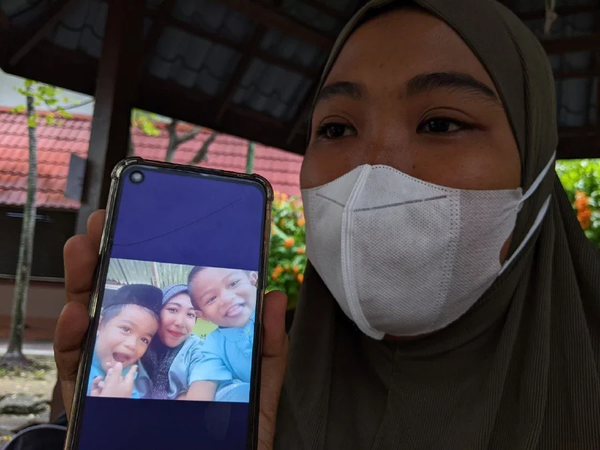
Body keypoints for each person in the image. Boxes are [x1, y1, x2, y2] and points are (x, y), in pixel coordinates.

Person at [54, 0, 600, 448]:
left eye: (440, 122)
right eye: (336, 130)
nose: (371, 170)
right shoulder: (255, 390)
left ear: (534, 165)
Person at [182, 267, 258, 403]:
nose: (227, 299)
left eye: (234, 283)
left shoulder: (273, 315)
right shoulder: (213, 343)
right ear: (202, 315)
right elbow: (204, 380)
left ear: (253, 279)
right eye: (211, 299)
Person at [88, 284, 162, 399]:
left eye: (144, 340)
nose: (132, 345)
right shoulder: (77, 368)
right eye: (126, 329)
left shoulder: (137, 384)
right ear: (99, 326)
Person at [135, 284, 205, 400]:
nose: (180, 323)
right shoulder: (137, 341)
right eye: (173, 310)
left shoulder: (197, 349)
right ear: (157, 312)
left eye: (190, 314)